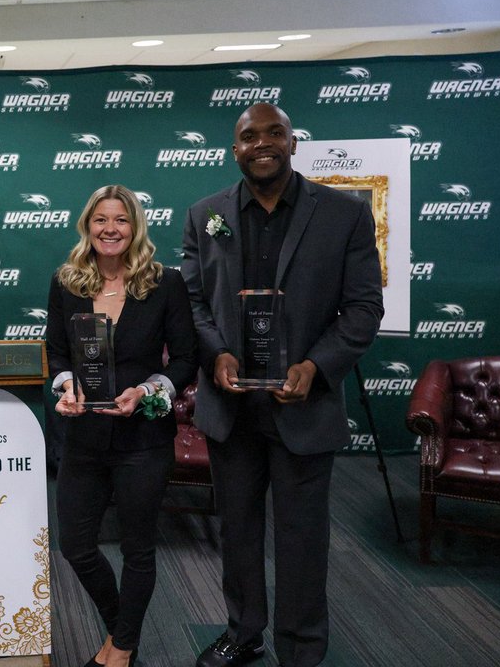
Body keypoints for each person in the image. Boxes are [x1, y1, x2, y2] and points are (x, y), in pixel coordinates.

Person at [181, 103, 383, 667]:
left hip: (304, 404)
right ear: (235, 148)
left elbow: (364, 307)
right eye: (250, 136)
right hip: (232, 408)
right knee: (238, 533)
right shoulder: (205, 215)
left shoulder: (343, 214)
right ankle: (243, 634)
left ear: (294, 143)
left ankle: (301, 649)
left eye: (275, 133)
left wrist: (316, 366)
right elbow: (194, 302)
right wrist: (216, 353)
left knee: (302, 538)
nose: (262, 143)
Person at [46, 184, 197, 667]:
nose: (110, 229)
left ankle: (121, 650)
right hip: (83, 438)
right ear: (87, 226)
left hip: (143, 441)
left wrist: (149, 392)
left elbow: (187, 360)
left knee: (137, 548)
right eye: (100, 220)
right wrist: (66, 385)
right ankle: (123, 631)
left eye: (121, 220)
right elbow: (56, 352)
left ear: (135, 228)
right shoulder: (67, 281)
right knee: (75, 546)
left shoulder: (164, 282)